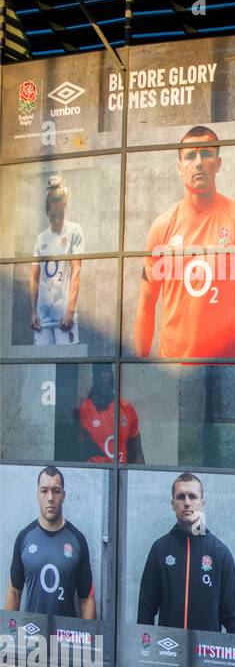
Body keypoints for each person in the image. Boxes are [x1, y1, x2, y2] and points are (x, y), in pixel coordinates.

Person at [134, 126, 235, 359]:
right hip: (173, 371)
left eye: (206, 154)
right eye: (190, 156)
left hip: (224, 370)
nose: (198, 162)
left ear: (218, 162)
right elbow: (146, 303)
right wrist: (139, 369)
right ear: (179, 167)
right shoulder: (161, 227)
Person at [137, 472, 235, 633]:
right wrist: (144, 650)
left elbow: (233, 617)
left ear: (202, 502)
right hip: (167, 650)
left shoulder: (220, 553)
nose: (187, 503)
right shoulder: (160, 549)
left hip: (208, 654)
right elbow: (146, 609)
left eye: (192, 496)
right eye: (181, 497)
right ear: (173, 504)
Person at [6, 467, 95, 618]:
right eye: (44, 490)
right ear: (37, 495)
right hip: (32, 635)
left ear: (64, 495)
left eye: (56, 490)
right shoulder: (24, 537)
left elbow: (86, 599)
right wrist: (6, 636)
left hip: (65, 636)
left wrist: (92, 639)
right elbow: (14, 592)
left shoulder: (77, 539)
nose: (50, 498)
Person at [29, 175, 84, 346]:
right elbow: (34, 279)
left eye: (61, 214)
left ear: (66, 207)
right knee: (42, 370)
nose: (57, 220)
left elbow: (76, 272)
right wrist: (33, 313)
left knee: (66, 370)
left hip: (64, 318)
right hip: (42, 320)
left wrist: (70, 311)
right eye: (53, 216)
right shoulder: (41, 239)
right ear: (47, 213)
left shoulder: (74, 231)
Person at [77, 362, 144, 464]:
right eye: (100, 373)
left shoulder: (126, 408)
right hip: (94, 476)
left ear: (112, 376)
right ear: (94, 378)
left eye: (108, 372)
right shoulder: (84, 411)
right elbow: (78, 455)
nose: (105, 377)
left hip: (120, 475)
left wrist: (141, 477)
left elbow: (136, 453)